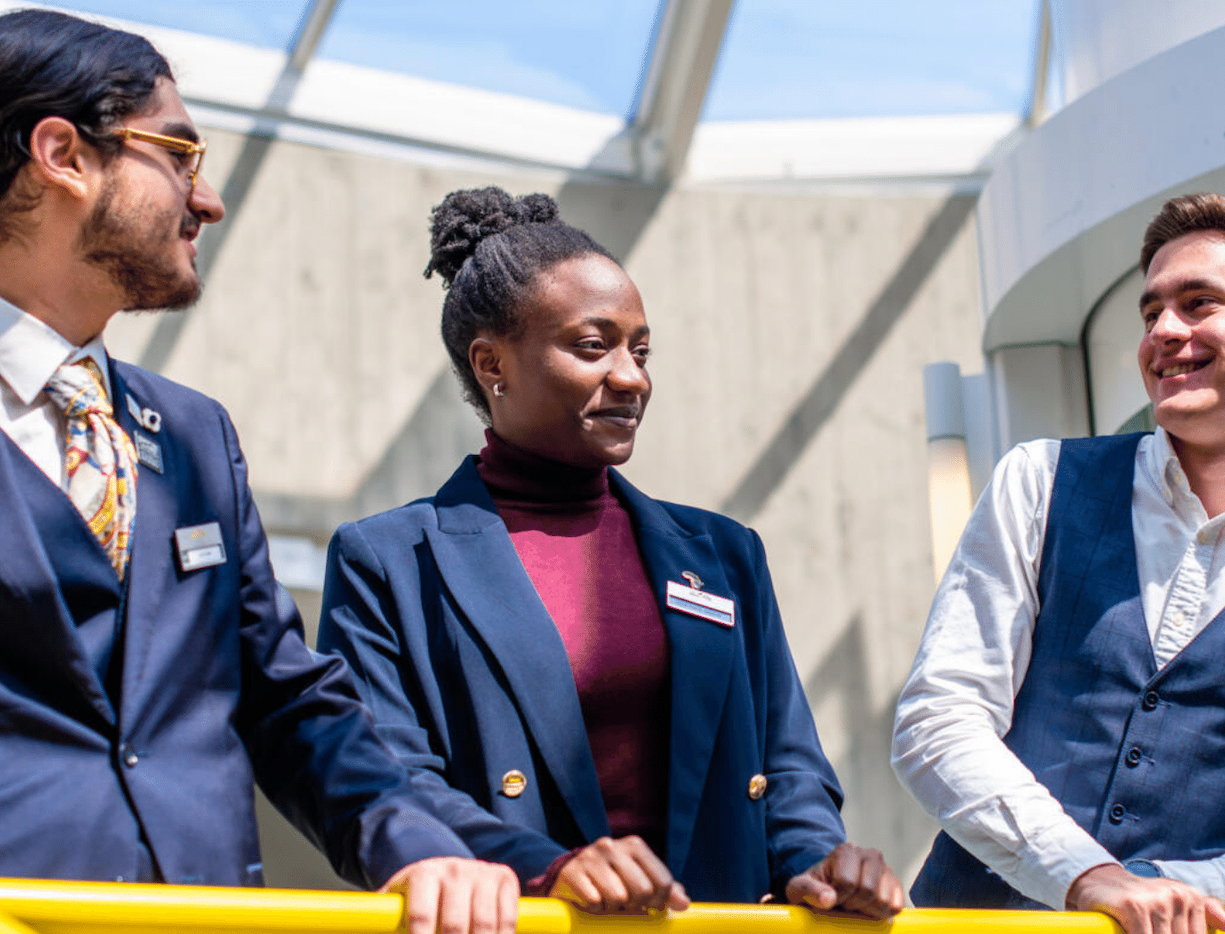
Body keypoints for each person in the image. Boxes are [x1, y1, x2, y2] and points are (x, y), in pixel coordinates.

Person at [0, 12, 516, 933]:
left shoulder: (199, 436)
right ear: (63, 154)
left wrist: (412, 836)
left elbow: (286, 700)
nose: (206, 202)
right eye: (180, 155)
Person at [316, 187, 904, 918]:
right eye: (593, 347)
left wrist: (820, 861)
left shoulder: (723, 554)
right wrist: (548, 869)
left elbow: (785, 764)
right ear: (492, 364)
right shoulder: (390, 561)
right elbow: (391, 777)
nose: (631, 377)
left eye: (642, 350)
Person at [892, 193, 1225, 929]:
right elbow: (937, 723)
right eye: (1151, 314)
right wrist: (1085, 875)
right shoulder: (1040, 481)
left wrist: (1158, 885)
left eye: (1199, 303)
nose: (1164, 332)